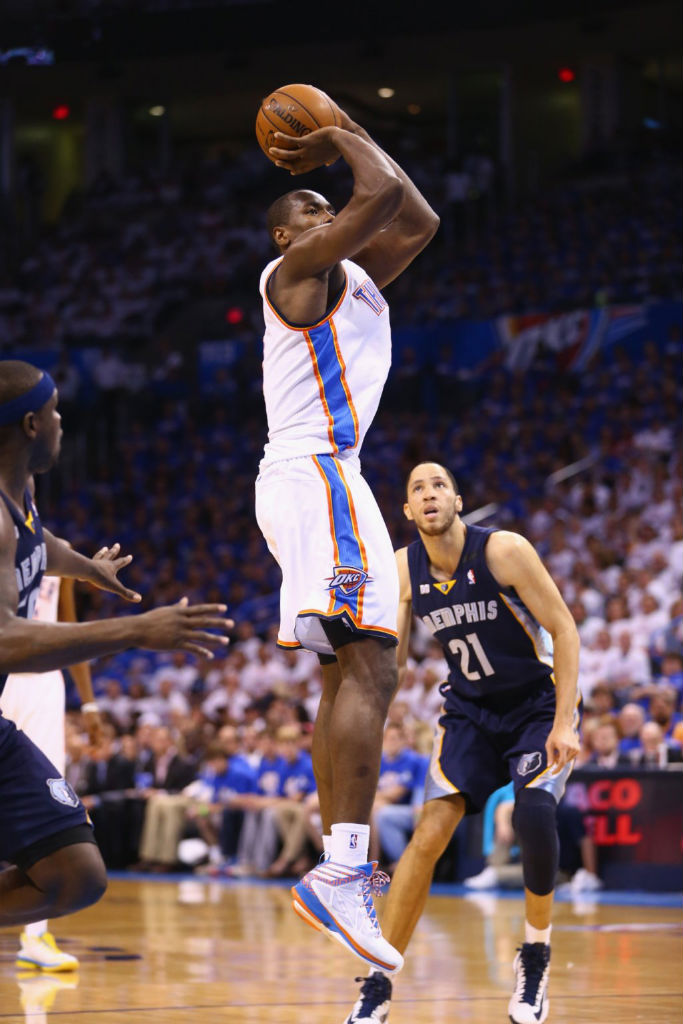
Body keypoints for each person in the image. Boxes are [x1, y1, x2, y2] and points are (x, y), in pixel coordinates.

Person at [254, 97, 439, 974]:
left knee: (347, 667)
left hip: (318, 476)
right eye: (311, 214)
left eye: (326, 210)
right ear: (288, 238)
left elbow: (415, 213)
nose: (326, 216)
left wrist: (347, 136)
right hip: (318, 469)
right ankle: (344, 868)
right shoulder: (291, 273)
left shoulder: (352, 278)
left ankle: (338, 867)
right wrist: (333, 139)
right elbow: (373, 200)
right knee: (374, 660)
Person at [343, 462, 581, 1024]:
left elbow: (566, 630)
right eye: (417, 489)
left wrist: (565, 721)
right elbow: (391, 665)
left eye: (438, 485)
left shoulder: (503, 551)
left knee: (534, 812)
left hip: (536, 704)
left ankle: (536, 956)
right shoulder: (403, 569)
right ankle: (378, 983)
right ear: (407, 511)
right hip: (469, 711)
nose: (429, 494)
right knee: (427, 835)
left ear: (456, 498)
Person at [0, 360, 232, 934]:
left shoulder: (20, 490)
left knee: (76, 874)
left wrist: (86, 570)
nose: (62, 422)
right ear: (31, 424)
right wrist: (135, 631)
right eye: (54, 413)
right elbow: (3, 640)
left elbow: (38, 541)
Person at [1, 573, 102, 970]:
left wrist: (89, 704)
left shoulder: (55, 551)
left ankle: (36, 935)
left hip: (44, 680)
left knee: (48, 799)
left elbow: (70, 631)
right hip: (5, 670)